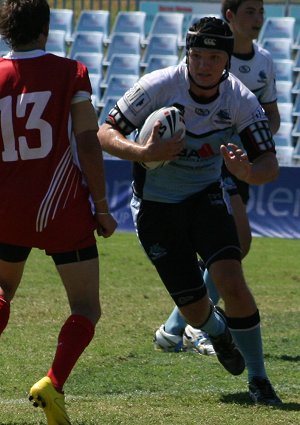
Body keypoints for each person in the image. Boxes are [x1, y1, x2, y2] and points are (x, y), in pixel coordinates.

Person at [98, 16, 282, 405]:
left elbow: (269, 163)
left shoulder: (240, 100)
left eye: (213, 57)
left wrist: (248, 171)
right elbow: (106, 131)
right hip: (156, 208)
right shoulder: (159, 85)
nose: (202, 64)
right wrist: (143, 152)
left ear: (227, 60)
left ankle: (259, 378)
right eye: (196, 55)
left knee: (232, 280)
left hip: (206, 197)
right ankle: (215, 331)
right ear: (187, 55)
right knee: (194, 309)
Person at [0, 1, 117, 424]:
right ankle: (52, 382)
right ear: (46, 30)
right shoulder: (72, 72)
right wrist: (101, 208)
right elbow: (88, 142)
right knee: (86, 307)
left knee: (1, 293)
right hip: (60, 208)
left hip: (7, 207)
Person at [155, 0, 281, 359]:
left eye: (260, 12)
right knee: (236, 242)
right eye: (249, 12)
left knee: (235, 246)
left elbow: (271, 116)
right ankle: (190, 326)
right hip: (204, 161)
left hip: (237, 160)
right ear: (230, 16)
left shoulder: (265, 62)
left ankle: (177, 327)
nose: (258, 19)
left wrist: (254, 135)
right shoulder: (205, 60)